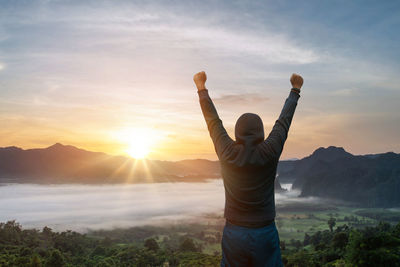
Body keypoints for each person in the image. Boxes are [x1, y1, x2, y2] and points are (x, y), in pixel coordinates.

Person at [194, 71, 303, 267]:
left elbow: (213, 122)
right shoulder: (269, 151)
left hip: (234, 232)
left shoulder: (227, 151)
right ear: (261, 132)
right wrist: (295, 90)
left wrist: (201, 88)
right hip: (265, 231)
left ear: (237, 132)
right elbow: (283, 123)